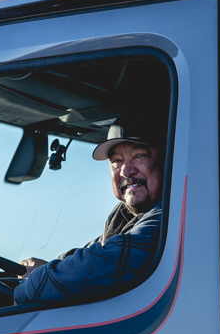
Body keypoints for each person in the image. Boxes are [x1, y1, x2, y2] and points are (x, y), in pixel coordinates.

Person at [13, 113, 164, 305]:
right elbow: (92, 252)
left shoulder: (169, 219)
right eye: (116, 161)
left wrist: (31, 286)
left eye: (139, 156)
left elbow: (103, 263)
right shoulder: (122, 221)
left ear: (167, 160)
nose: (126, 171)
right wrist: (44, 268)